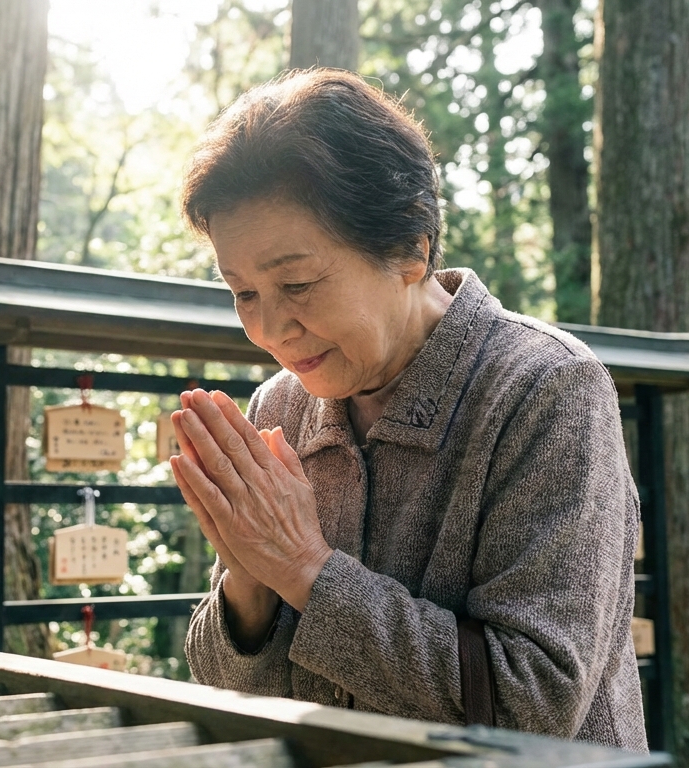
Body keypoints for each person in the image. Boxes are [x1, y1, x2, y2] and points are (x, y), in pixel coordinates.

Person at [170, 68, 647, 753]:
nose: (272, 329)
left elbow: (533, 707)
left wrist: (304, 568)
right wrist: (251, 578)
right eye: (243, 292)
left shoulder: (548, 389)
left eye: (296, 283)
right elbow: (225, 689)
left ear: (409, 250)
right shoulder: (281, 405)